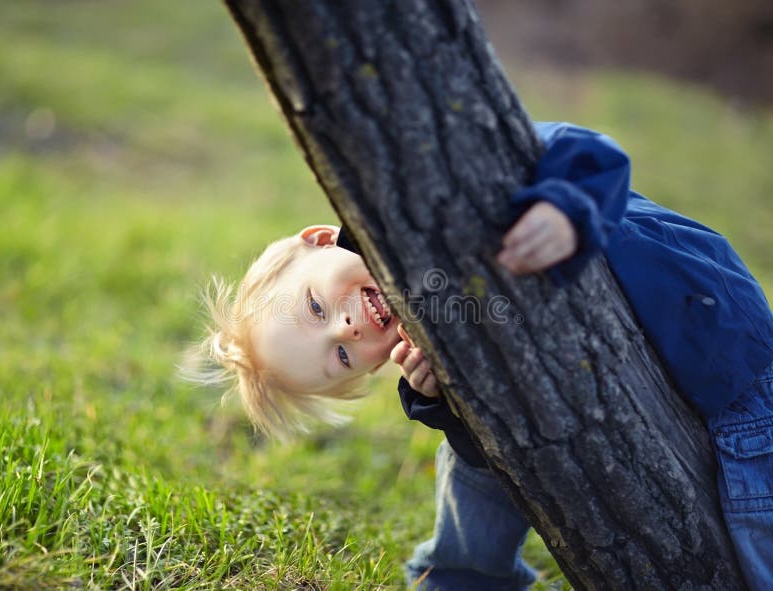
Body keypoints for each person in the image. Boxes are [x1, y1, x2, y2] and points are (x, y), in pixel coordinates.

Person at [190, 122, 773, 590]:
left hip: (720, 352)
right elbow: (499, 444)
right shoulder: (428, 345)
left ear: (320, 240)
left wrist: (564, 209)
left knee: (753, 528)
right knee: (470, 462)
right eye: (342, 357)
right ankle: (464, 574)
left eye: (316, 308)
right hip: (617, 394)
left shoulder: (425, 197)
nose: (345, 328)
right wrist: (441, 401)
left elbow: (580, 147)